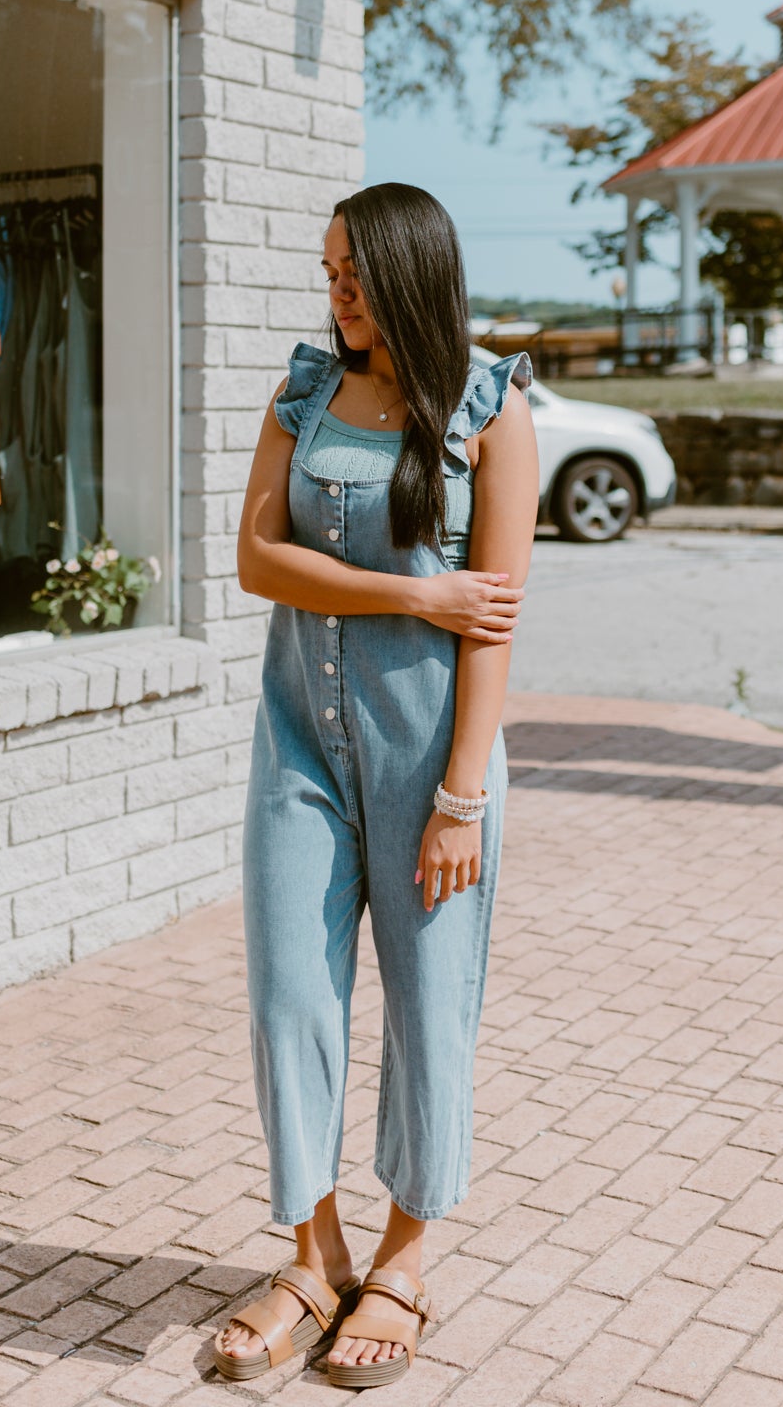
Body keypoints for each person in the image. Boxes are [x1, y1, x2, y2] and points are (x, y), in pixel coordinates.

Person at [213, 182, 538, 1388]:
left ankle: (400, 1260)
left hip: (429, 758)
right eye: (327, 268)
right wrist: (418, 591)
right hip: (297, 741)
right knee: (289, 993)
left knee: (426, 1001)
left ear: (408, 269)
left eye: (351, 270)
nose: (334, 289)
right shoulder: (303, 392)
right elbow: (257, 557)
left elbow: (495, 625)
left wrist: (461, 796)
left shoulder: (490, 410)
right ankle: (311, 1254)